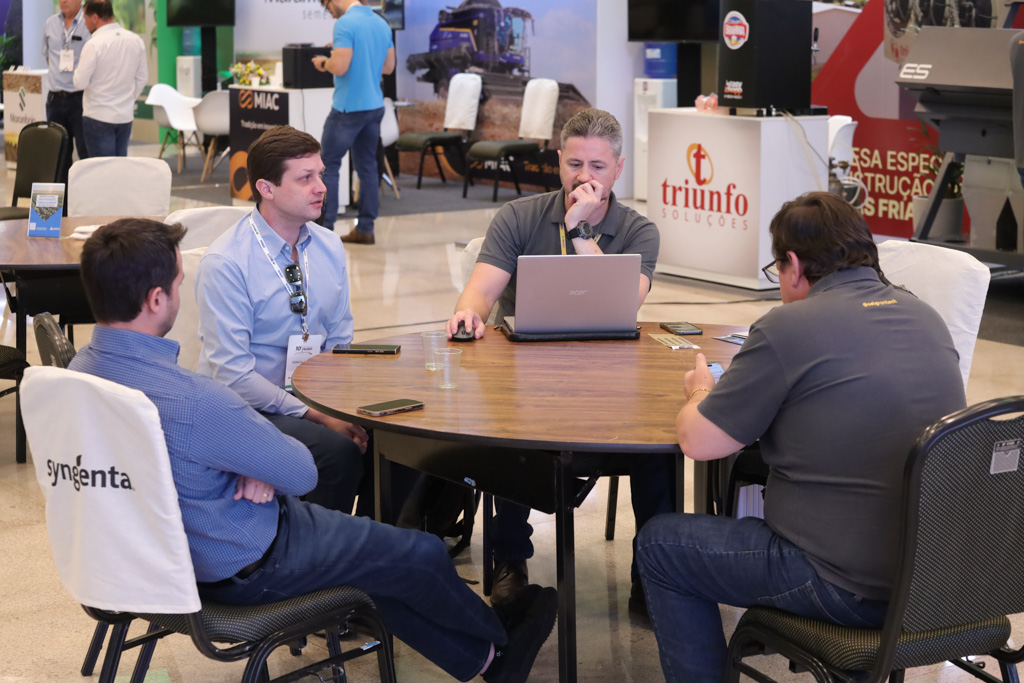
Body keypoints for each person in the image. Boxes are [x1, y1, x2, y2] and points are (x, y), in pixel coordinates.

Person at [69, 218, 558, 683]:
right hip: (242, 562)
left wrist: (246, 460)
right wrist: (256, 460)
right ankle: (502, 644)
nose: (181, 294)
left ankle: (487, 659)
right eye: (178, 284)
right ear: (156, 299)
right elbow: (302, 472)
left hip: (145, 562)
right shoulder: (194, 401)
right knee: (421, 553)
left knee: (381, 570)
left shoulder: (78, 375)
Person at [636, 191, 967, 683]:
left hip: (845, 585)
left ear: (792, 264)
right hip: (937, 579)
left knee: (661, 544)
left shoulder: (789, 325)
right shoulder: (925, 315)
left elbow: (700, 443)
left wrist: (701, 389)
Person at [445, 108, 668, 608]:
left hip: (611, 387)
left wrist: (580, 230)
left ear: (619, 168)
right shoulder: (518, 217)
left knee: (662, 443)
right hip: (527, 382)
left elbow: (618, 305)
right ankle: (509, 559)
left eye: (597, 166)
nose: (584, 178)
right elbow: (481, 290)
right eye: (574, 164)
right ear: (558, 162)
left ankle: (653, 576)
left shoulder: (639, 231)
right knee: (506, 430)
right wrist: (468, 314)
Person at [196, 126, 367, 515]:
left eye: (320, 174)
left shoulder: (328, 245)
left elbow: (340, 338)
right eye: (305, 178)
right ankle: (317, 545)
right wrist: (316, 415)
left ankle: (382, 538)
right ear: (266, 188)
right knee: (337, 451)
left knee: (396, 434)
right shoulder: (226, 262)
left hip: (314, 397)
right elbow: (233, 374)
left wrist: (336, 406)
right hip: (244, 408)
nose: (321, 187)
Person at [311, 0, 395, 245]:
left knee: (328, 166)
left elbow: (339, 66)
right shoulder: (381, 23)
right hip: (374, 106)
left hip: (347, 108)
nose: (330, 13)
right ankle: (366, 229)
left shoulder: (345, 23)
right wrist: (348, 52)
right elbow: (388, 67)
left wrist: (323, 62)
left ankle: (324, 233)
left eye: (327, 6)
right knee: (367, 167)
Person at [72, 0, 147, 158]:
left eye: (85, 18)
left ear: (95, 18)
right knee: (119, 166)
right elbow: (142, 78)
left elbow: (79, 83)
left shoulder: (93, 45)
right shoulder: (135, 41)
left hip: (98, 116)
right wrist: (127, 98)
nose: (84, 23)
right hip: (125, 116)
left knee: (101, 168)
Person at [42, 0, 92, 183]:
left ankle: (87, 196)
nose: (63, 1)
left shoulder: (88, 23)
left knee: (85, 151)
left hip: (80, 99)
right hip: (55, 99)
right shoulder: (50, 23)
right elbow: (49, 57)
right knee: (59, 154)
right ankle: (63, 199)